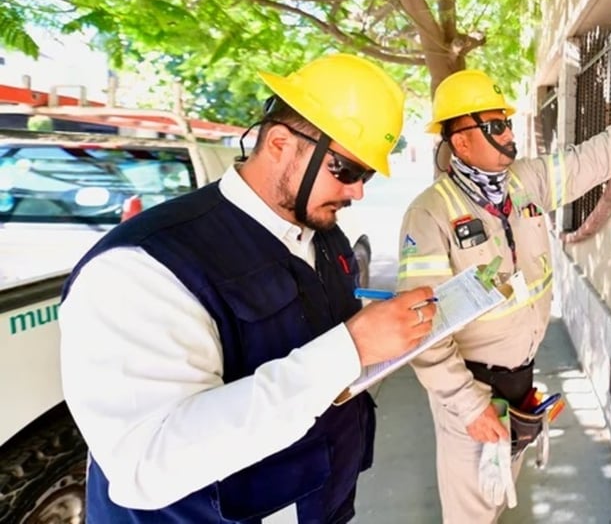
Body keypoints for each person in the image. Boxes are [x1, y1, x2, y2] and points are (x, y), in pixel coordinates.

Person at [59, 54, 438, 523]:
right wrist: (352, 347)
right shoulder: (144, 265)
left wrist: (384, 339)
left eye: (368, 176)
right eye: (346, 170)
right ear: (280, 143)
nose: (358, 192)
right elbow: (146, 463)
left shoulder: (324, 235)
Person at [395, 68, 611, 522]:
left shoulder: (524, 181)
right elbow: (417, 328)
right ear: (460, 141)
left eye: (506, 121)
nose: (508, 133)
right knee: (471, 511)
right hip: (469, 391)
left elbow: (593, 157)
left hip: (518, 382)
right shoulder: (430, 213)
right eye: (494, 126)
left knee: (498, 494)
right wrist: (470, 406)